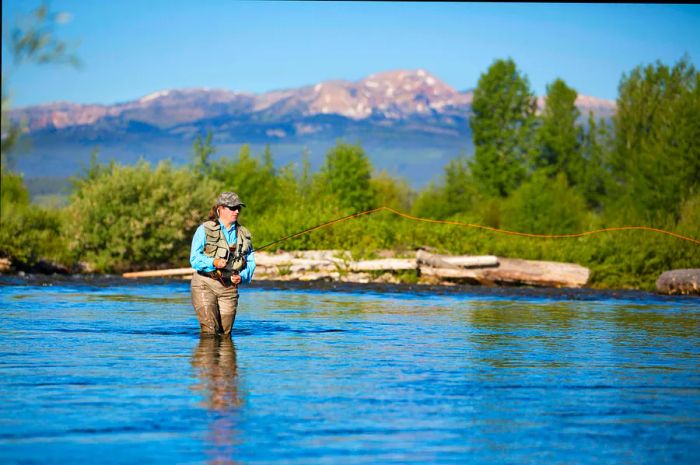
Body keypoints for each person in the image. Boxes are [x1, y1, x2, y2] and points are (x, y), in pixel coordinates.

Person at [190, 191, 255, 335]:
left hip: (229, 287)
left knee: (225, 333)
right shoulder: (204, 230)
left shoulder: (244, 234)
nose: (237, 211)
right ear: (220, 209)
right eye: (232, 207)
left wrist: (242, 277)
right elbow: (194, 259)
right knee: (210, 332)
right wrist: (213, 262)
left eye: (238, 208)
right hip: (204, 283)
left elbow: (251, 262)